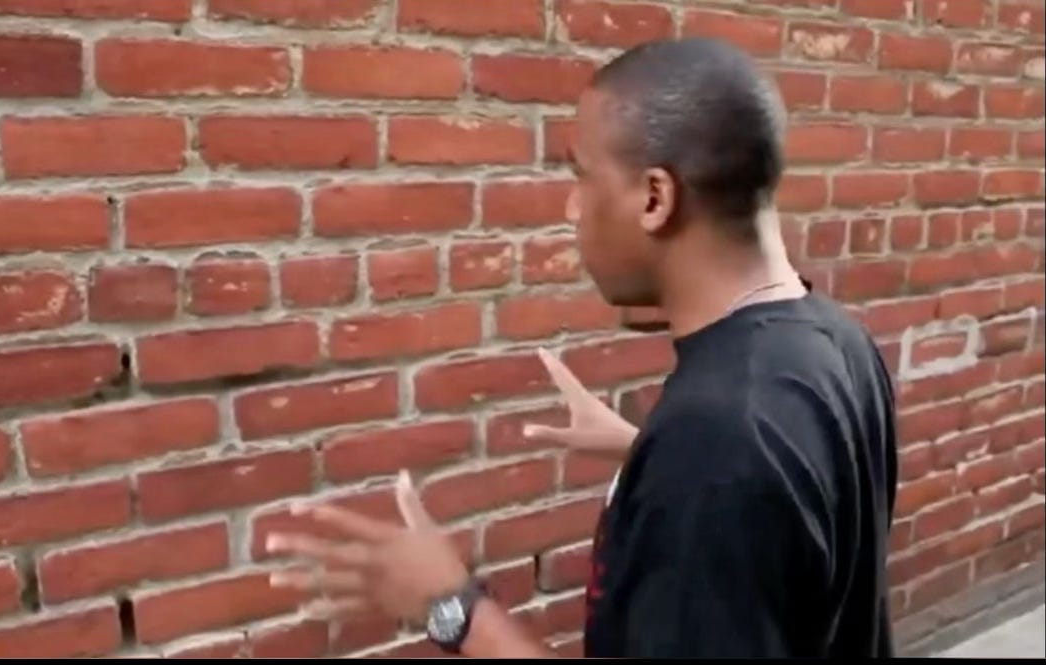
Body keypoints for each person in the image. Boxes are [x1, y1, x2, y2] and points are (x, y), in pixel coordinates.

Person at [266, 37, 898, 658]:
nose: (572, 208)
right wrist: (648, 457)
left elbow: (733, 472)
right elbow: (787, 516)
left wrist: (451, 607)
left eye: (581, 175)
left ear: (655, 198)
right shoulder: (836, 342)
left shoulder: (720, 438)